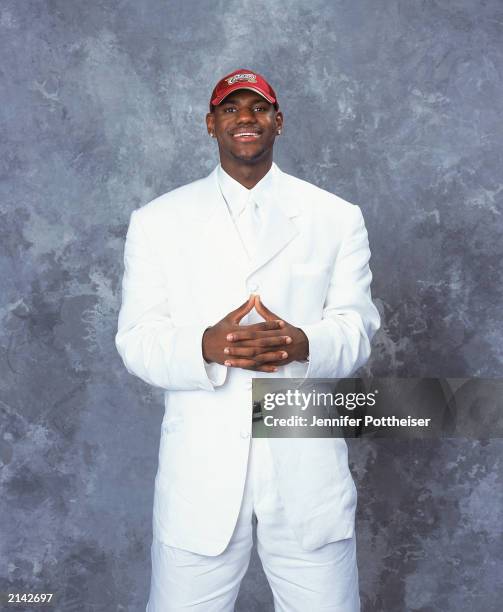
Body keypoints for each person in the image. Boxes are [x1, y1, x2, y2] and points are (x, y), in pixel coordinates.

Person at [115, 68, 380, 612]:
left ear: (278, 122)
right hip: (201, 479)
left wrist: (304, 342)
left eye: (258, 108)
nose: (245, 118)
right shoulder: (158, 221)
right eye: (230, 109)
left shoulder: (336, 217)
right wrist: (205, 348)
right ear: (210, 125)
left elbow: (358, 331)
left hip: (305, 468)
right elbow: (137, 340)